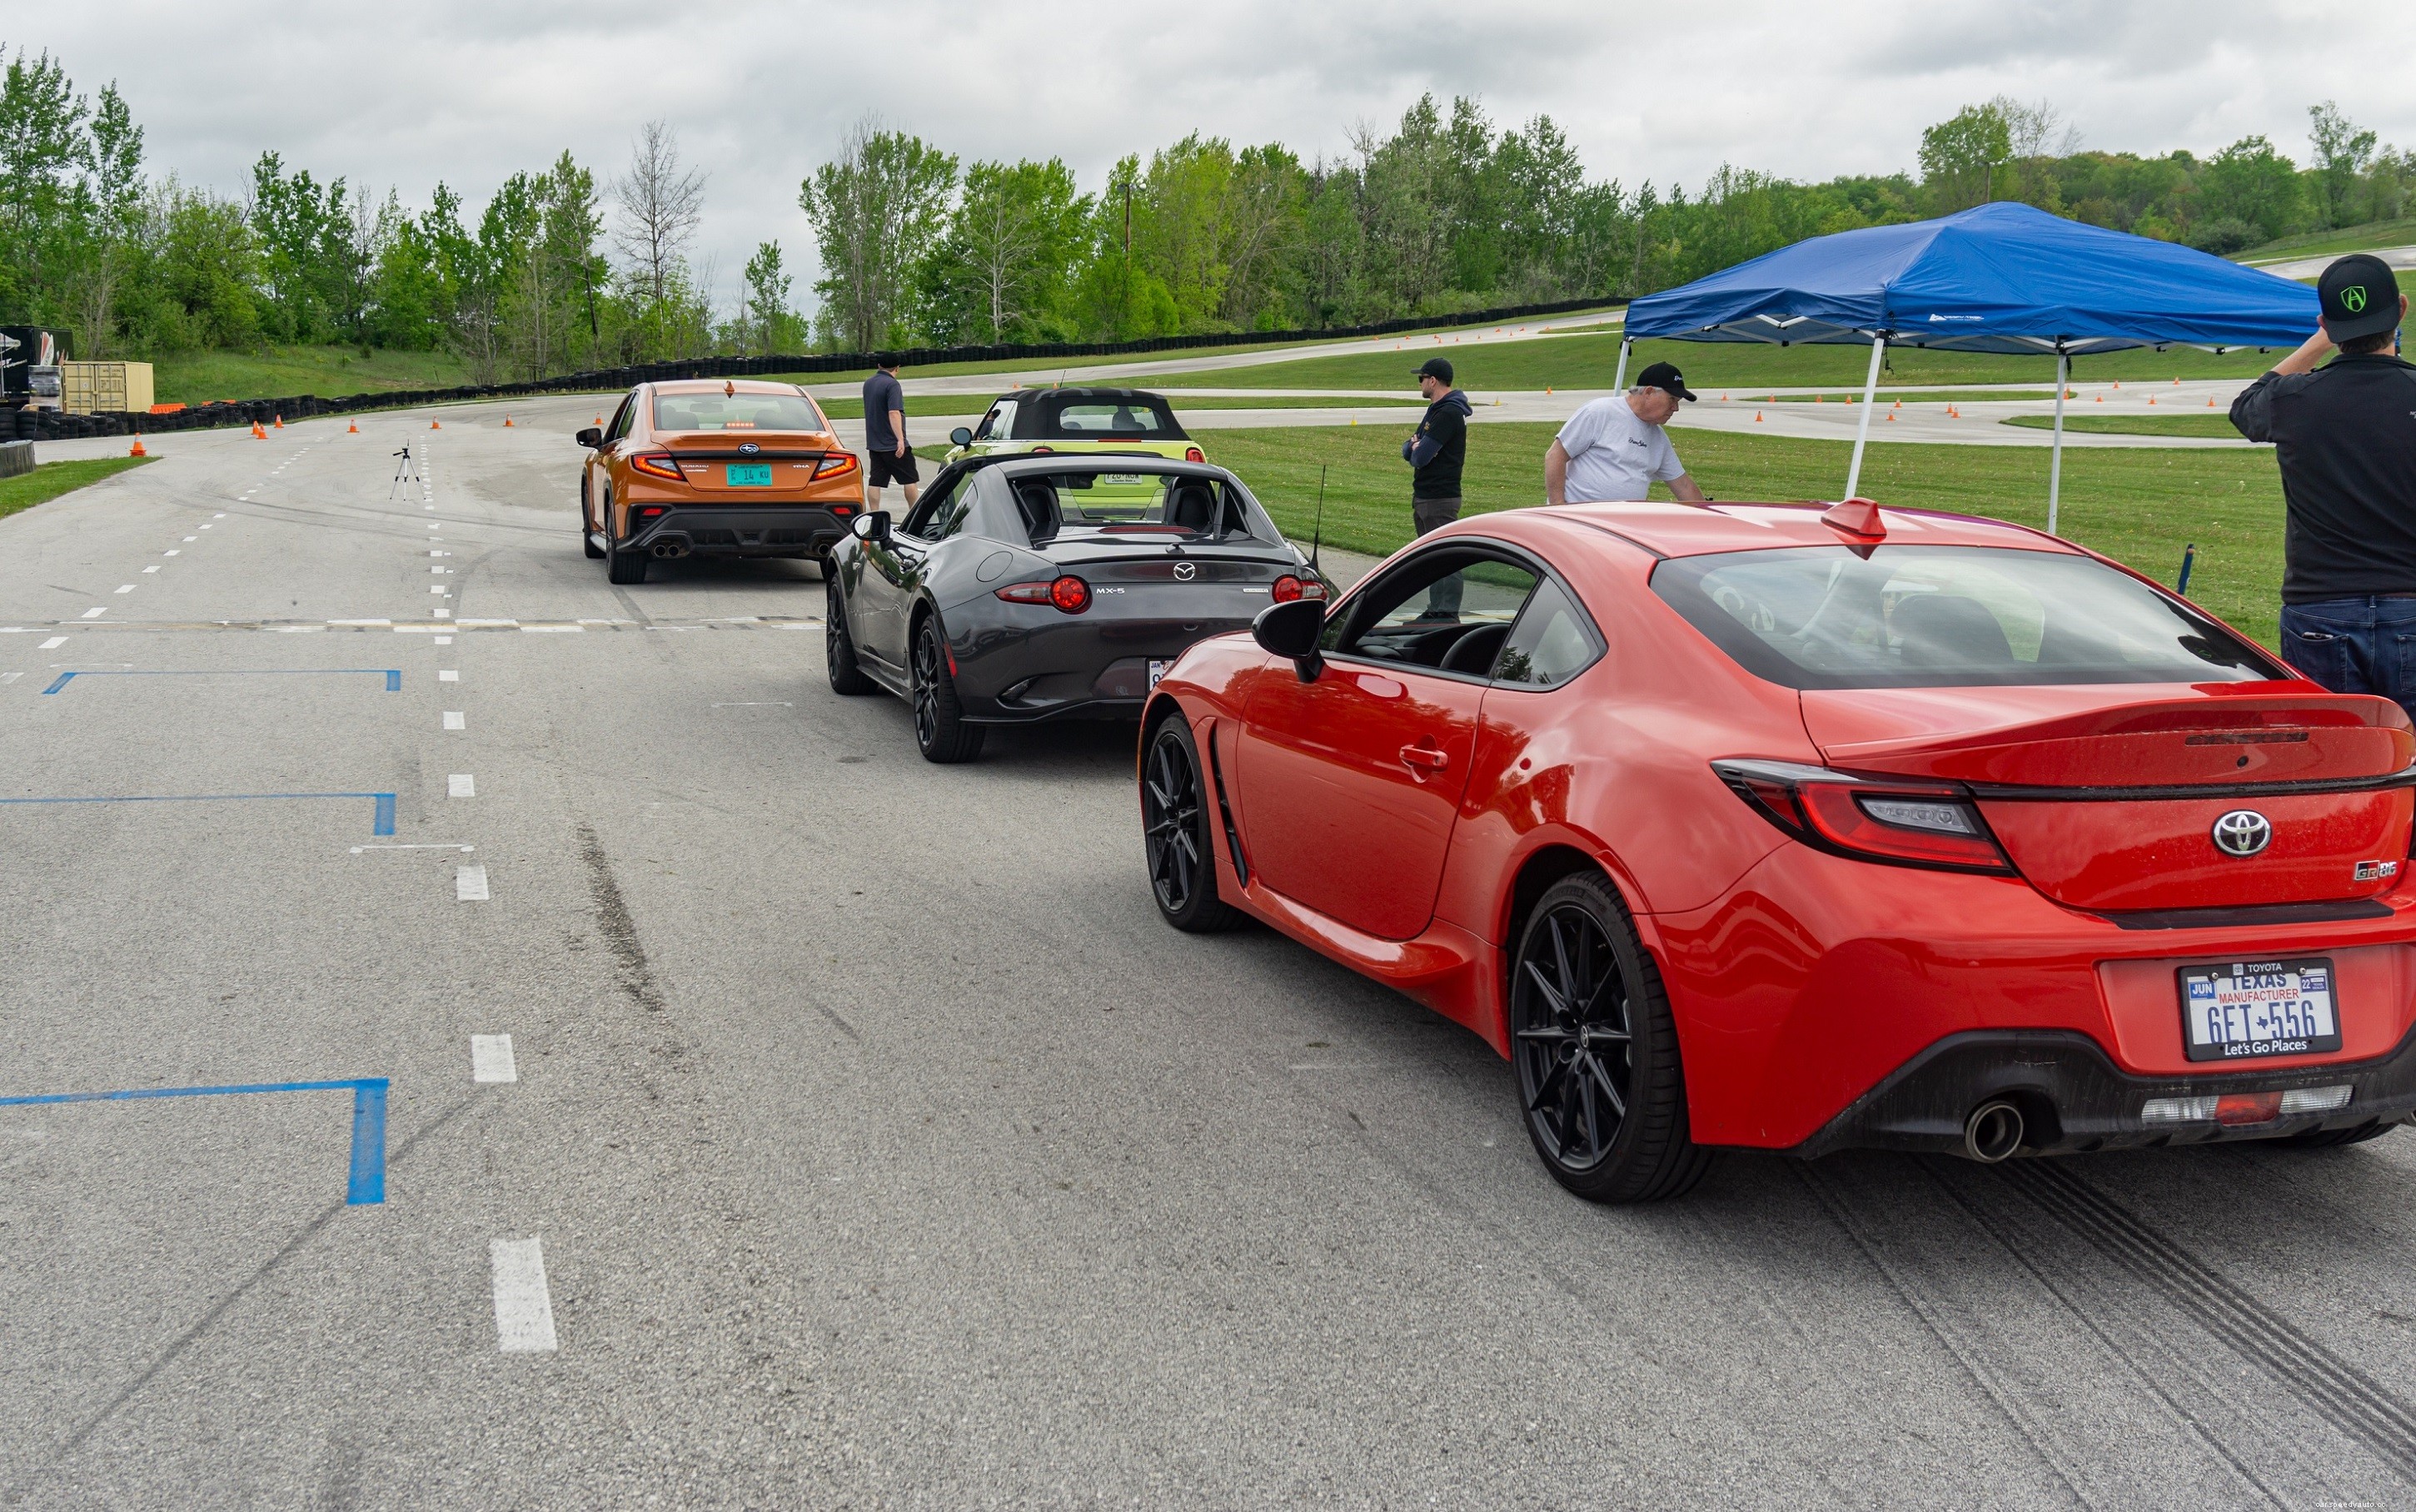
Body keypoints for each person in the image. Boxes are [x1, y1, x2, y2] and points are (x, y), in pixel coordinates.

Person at [2229, 253, 2416, 719]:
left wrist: (2318, 342)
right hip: (2411, 604)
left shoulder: (2294, 399)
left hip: (2320, 608)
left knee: (2332, 759)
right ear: (2401, 310)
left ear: (2327, 325)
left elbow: (2245, 406)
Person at [1546, 362, 1710, 505]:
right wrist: (1558, 506)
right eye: (1672, 400)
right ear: (1649, 392)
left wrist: (1707, 518)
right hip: (1579, 522)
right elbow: (1555, 456)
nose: (1676, 408)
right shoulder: (1599, 412)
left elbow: (1683, 486)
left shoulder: (1658, 438)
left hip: (1622, 527)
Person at [1402, 356, 1473, 614]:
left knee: (1445, 558)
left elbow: (1420, 456)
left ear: (1433, 381)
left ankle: (1447, 612)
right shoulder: (1436, 410)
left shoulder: (1449, 413)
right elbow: (1408, 449)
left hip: (1439, 498)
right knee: (1431, 558)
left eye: (1421, 378)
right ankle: (1436, 610)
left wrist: (1415, 448)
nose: (1419, 383)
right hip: (1425, 496)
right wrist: (1413, 446)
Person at [863, 354, 918, 510]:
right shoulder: (892, 385)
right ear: (897, 368)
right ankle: (913, 513)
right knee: (909, 479)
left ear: (879, 365)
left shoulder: (868, 383)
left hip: (875, 443)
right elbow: (894, 412)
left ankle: (874, 514)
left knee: (875, 481)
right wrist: (900, 440)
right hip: (892, 444)